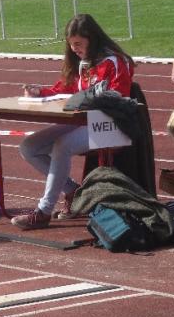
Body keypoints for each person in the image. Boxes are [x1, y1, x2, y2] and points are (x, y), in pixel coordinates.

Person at [12, 14, 134, 230]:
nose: (74, 49)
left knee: (63, 145)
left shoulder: (114, 61)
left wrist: (89, 99)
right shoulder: (82, 62)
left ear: (92, 39)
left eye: (78, 43)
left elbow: (119, 96)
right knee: (29, 147)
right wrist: (39, 92)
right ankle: (72, 191)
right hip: (83, 120)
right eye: (71, 44)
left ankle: (43, 211)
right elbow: (64, 89)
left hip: (112, 124)